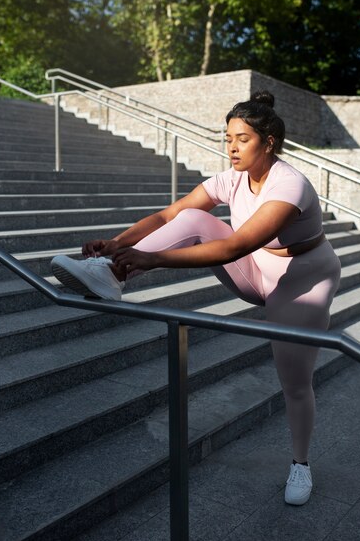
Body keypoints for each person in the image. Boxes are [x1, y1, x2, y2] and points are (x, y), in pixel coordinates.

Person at [51, 90, 341, 506]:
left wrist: (150, 258)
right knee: (192, 216)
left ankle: (301, 464)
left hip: (302, 283)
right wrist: (116, 243)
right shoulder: (231, 178)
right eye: (227, 138)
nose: (232, 147)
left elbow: (232, 247)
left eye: (242, 139)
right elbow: (171, 215)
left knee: (295, 383)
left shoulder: (289, 185)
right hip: (256, 270)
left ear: (269, 142)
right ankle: (112, 274)